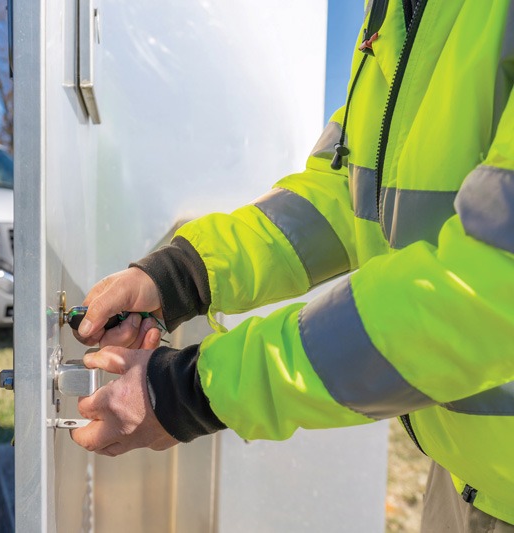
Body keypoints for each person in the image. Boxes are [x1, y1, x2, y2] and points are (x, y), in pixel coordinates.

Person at [70, 1, 514, 530]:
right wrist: (180, 276)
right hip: (472, 477)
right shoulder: (394, 13)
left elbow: (486, 288)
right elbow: (342, 192)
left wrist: (197, 390)